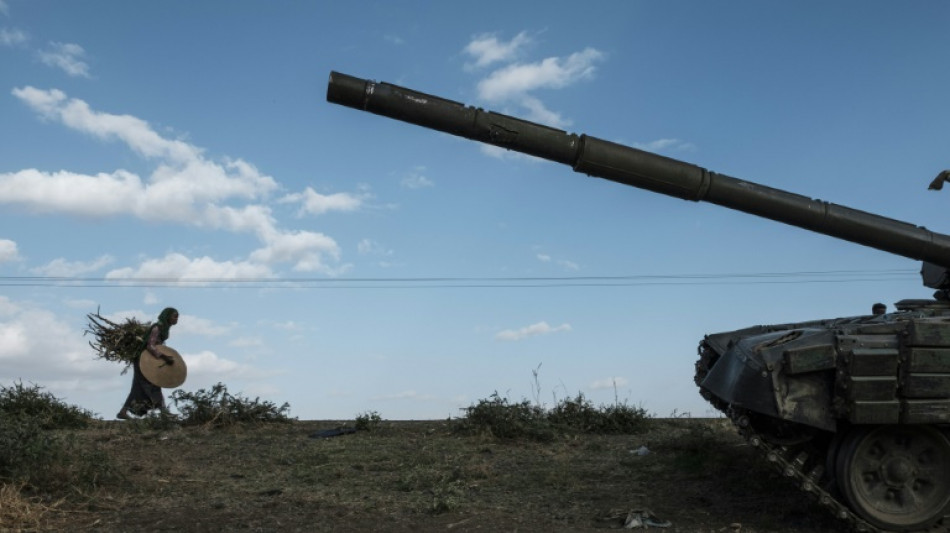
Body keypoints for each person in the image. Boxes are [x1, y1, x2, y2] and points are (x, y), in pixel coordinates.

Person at [117, 307, 179, 419]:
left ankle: (123, 412)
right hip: (143, 360)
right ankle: (164, 412)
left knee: (139, 386)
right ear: (167, 316)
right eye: (174, 316)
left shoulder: (164, 329)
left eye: (177, 317)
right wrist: (164, 357)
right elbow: (150, 346)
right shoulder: (157, 328)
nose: (176, 319)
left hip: (149, 359)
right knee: (152, 385)